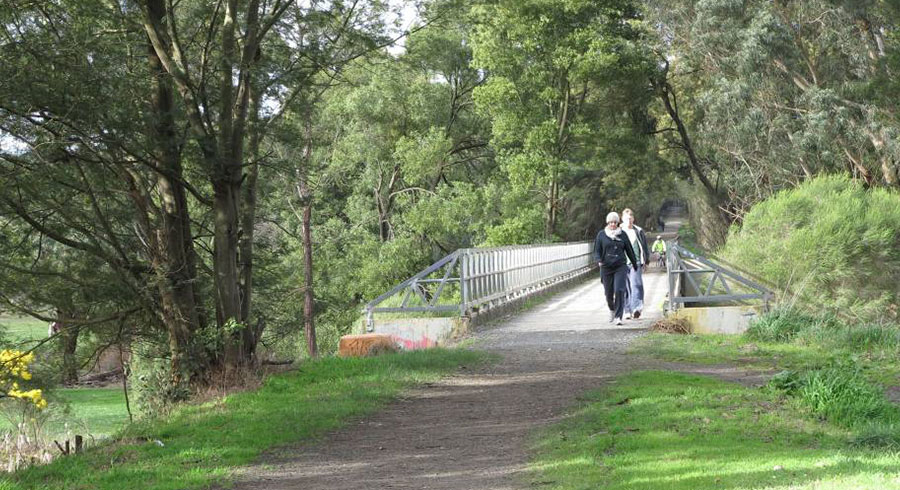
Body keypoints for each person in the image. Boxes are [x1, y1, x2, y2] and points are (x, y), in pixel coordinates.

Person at [594, 212, 638, 325]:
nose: (613, 224)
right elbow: (597, 250)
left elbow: (629, 250)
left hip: (620, 266)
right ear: (608, 223)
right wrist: (599, 260)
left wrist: (635, 263)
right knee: (608, 293)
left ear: (618, 223)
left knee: (619, 290)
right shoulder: (601, 235)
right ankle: (612, 309)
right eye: (611, 222)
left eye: (615, 222)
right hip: (606, 267)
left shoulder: (622, 235)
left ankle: (619, 316)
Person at [620, 208, 649, 319]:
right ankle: (627, 310)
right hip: (621, 263)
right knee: (625, 287)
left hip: (636, 262)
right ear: (622, 219)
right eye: (627, 217)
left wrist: (646, 261)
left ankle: (636, 308)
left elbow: (644, 246)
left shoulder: (638, 231)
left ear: (633, 218)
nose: (629, 219)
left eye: (631, 216)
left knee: (636, 284)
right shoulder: (618, 231)